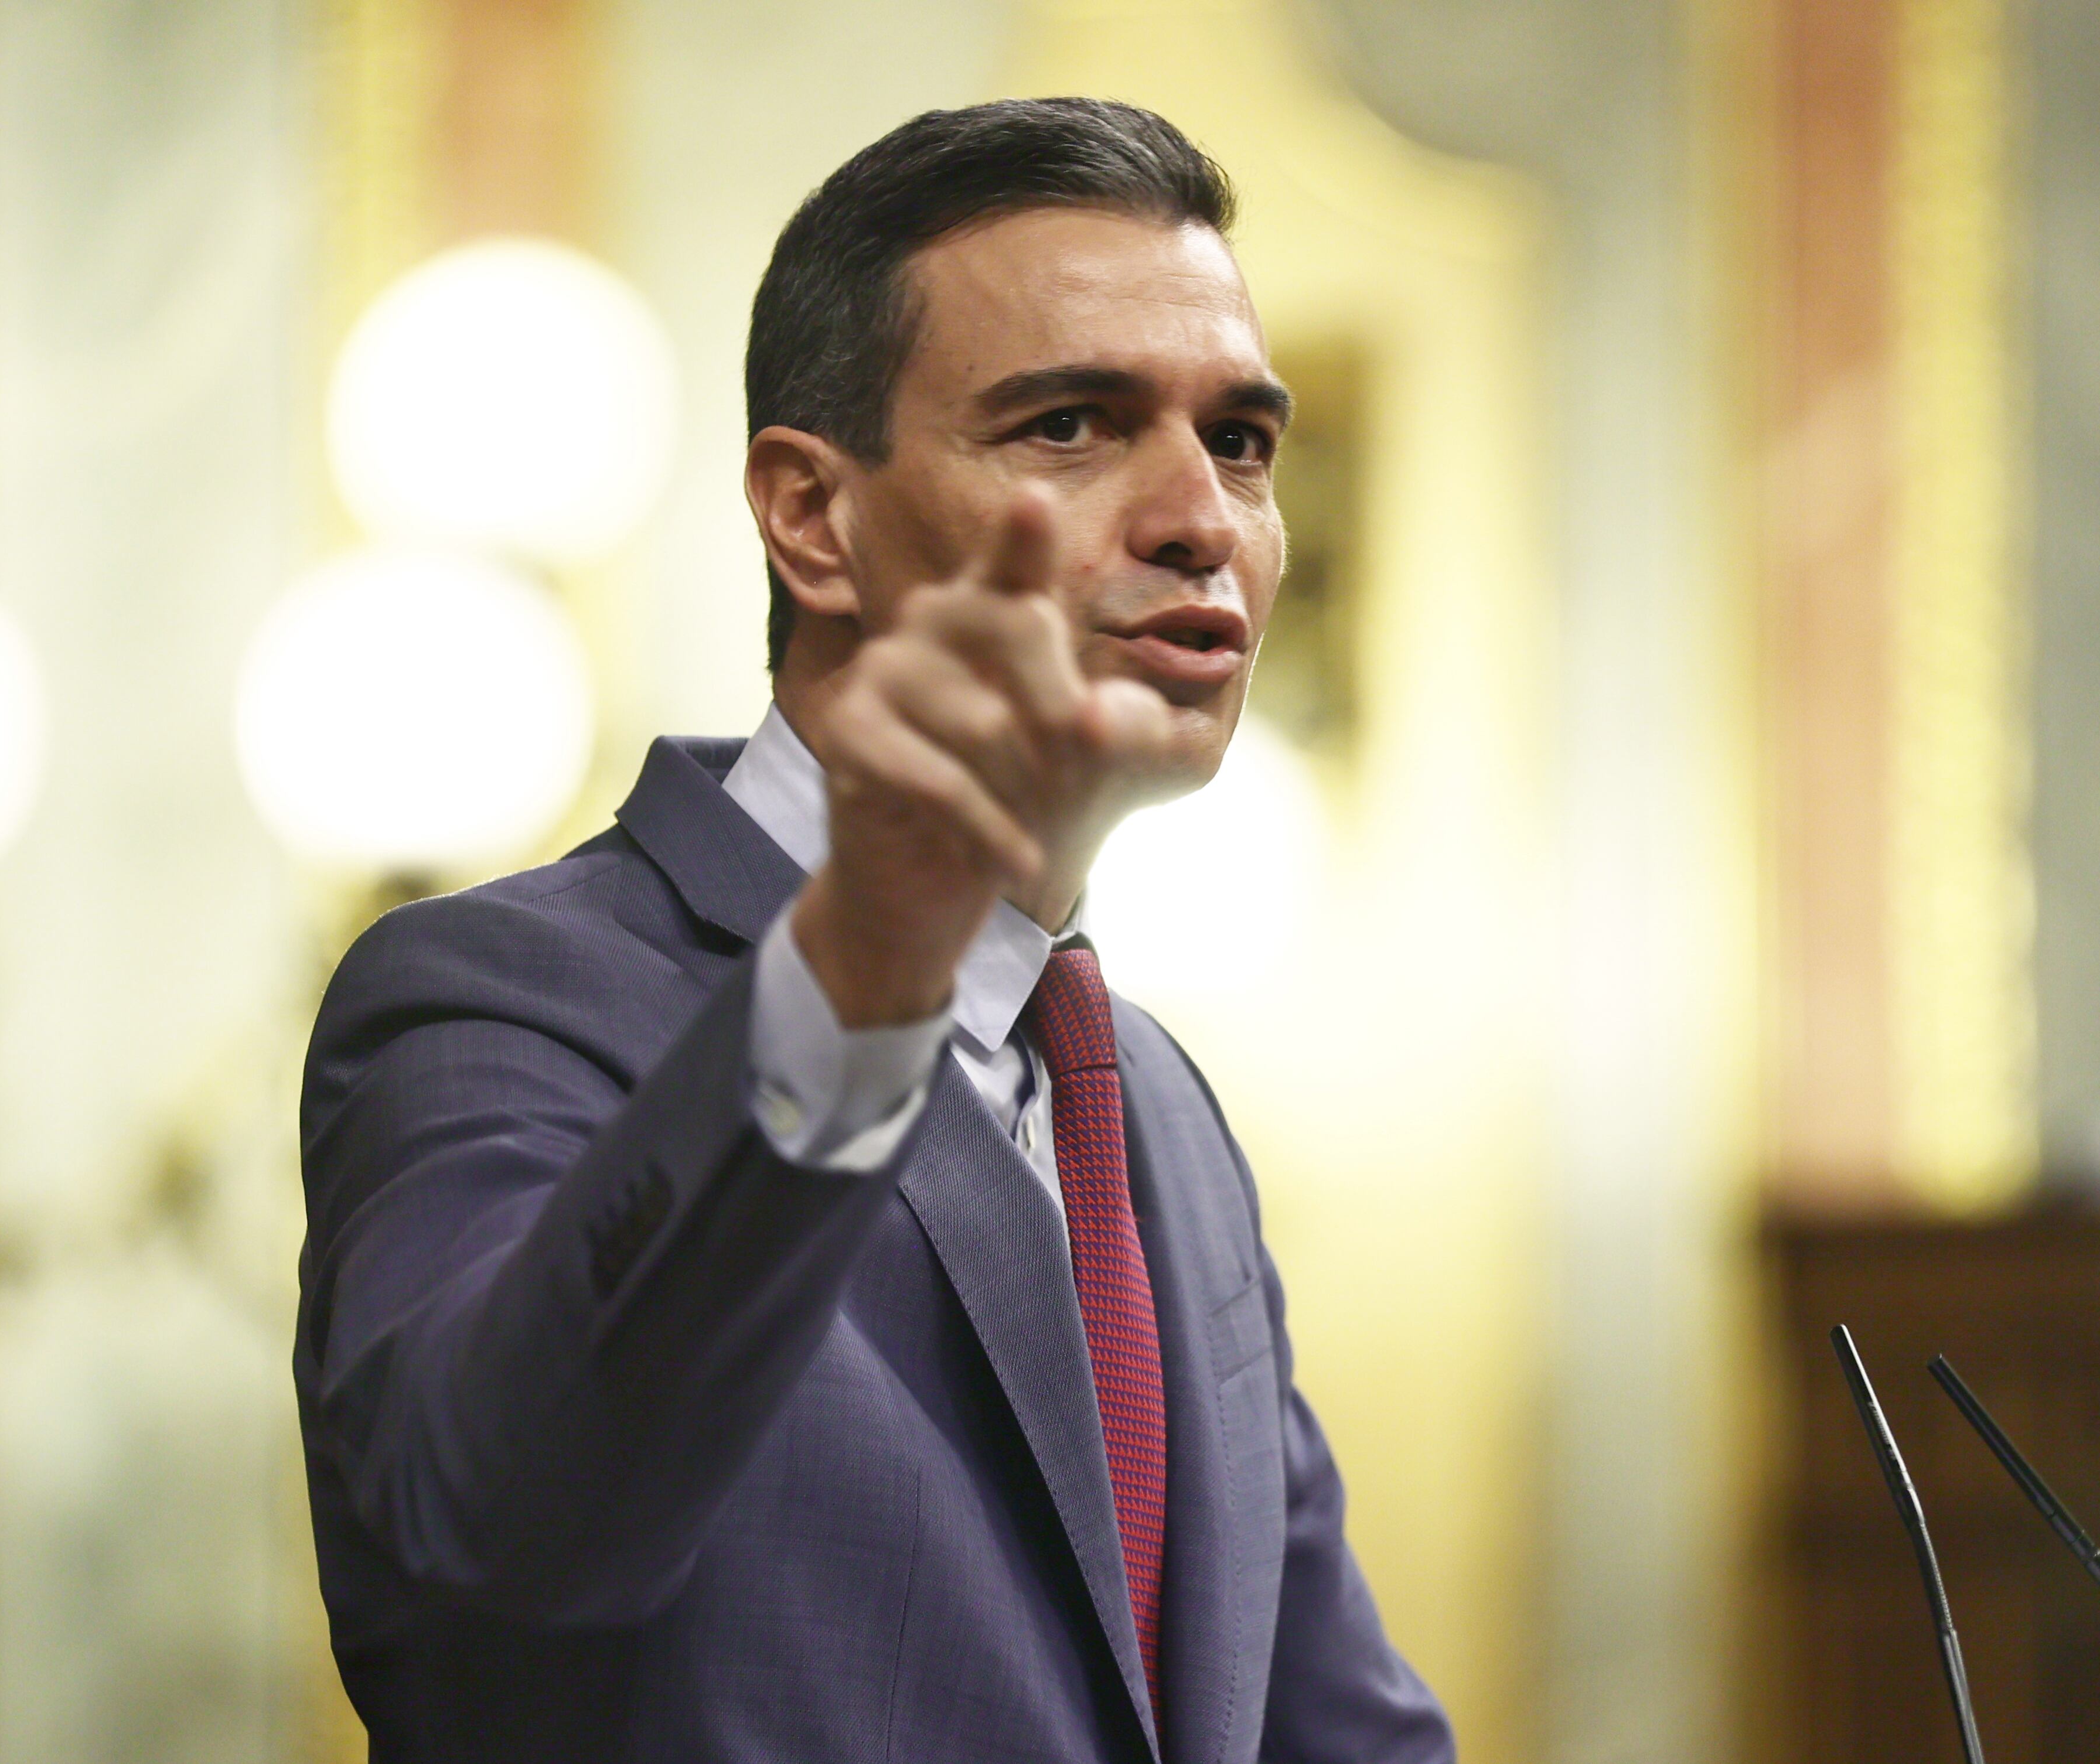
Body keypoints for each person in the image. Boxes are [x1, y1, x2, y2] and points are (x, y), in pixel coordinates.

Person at [295, 97, 1454, 1763]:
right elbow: (494, 1541)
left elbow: (1333, 1731)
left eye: (1243, 441)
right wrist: (860, 964)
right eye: (1070, 425)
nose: (1201, 514)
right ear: (812, 521)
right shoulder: (497, 998)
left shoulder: (1161, 1105)